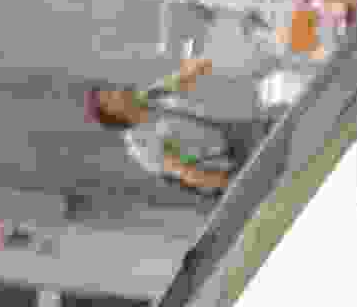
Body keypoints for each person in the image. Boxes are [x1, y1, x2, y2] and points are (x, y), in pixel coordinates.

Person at [88, 52, 251, 198]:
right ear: (112, 114)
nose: (117, 91)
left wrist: (206, 59)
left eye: (111, 89)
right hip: (228, 165)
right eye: (110, 97)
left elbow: (183, 77)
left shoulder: (149, 96)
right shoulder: (142, 145)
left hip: (234, 132)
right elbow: (187, 172)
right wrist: (235, 185)